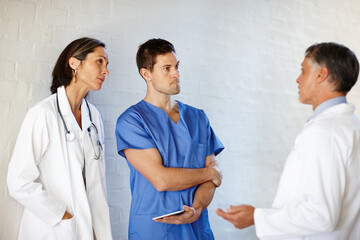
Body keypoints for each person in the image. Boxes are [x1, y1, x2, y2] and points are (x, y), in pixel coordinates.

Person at [216, 42, 360, 240]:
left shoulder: (326, 131)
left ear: (321, 75)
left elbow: (321, 216)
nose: (298, 79)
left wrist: (257, 217)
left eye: (303, 71)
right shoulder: (351, 125)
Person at [115, 38, 224, 239]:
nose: (176, 74)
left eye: (176, 66)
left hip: (197, 228)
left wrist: (197, 208)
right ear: (146, 74)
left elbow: (213, 178)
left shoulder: (198, 117)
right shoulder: (132, 121)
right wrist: (210, 173)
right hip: (155, 230)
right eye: (167, 68)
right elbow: (162, 180)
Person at [7, 37, 113, 240]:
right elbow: (18, 181)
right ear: (74, 63)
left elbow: (97, 184)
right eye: (99, 61)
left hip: (89, 228)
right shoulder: (44, 114)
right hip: (54, 230)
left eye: (106, 64)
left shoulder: (94, 117)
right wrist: (61, 215)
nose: (106, 71)